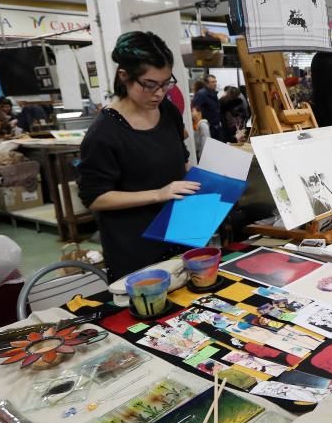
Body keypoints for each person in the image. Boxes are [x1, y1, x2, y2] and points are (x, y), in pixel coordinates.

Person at [77, 31, 197, 281]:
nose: (159, 93)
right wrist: (158, 194)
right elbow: (95, 197)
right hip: (136, 250)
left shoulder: (168, 112)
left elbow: (181, 162)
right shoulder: (104, 133)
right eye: (149, 85)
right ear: (124, 76)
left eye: (166, 83)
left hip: (181, 234)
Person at [191, 74, 223, 142]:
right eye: (212, 82)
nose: (215, 84)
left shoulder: (214, 93)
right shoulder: (201, 94)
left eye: (215, 81)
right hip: (208, 127)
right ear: (206, 83)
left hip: (216, 127)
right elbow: (195, 109)